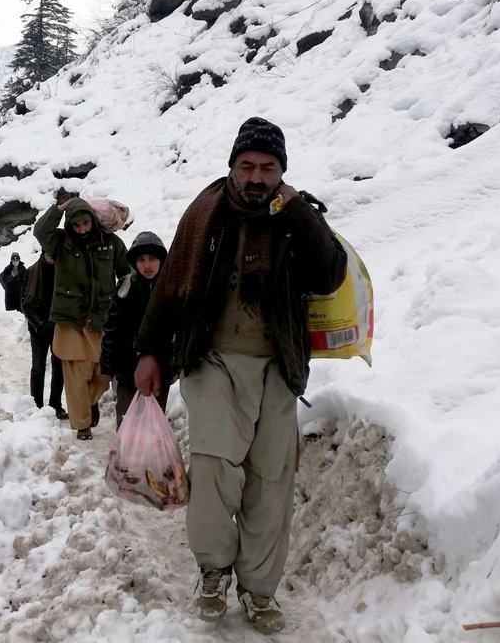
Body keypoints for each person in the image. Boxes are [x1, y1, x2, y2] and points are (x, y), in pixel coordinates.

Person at [133, 117, 348, 634]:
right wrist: (149, 351)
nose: (256, 176)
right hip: (213, 361)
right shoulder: (205, 214)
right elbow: (170, 289)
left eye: (268, 168)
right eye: (247, 165)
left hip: (278, 366)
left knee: (270, 481)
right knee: (213, 471)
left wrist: (299, 211)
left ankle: (258, 588)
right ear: (232, 166)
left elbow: (329, 274)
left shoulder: (297, 216)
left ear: (282, 173)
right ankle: (212, 570)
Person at [34, 194, 130, 440]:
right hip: (71, 320)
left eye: (85, 224)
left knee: (103, 371)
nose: (82, 229)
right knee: (77, 375)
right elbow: (41, 230)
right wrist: (59, 208)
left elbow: (127, 272)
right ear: (69, 225)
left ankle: (89, 403)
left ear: (92, 221)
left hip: (102, 318)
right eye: (76, 225)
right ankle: (82, 425)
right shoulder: (60, 243)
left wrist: (126, 299)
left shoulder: (111, 243)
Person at [100, 231, 170, 429]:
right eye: (141, 259)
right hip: (127, 371)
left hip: (160, 372)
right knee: (127, 422)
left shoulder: (170, 289)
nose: (147, 265)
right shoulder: (126, 287)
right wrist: (107, 366)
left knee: (153, 423)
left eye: (152, 258)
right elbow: (111, 328)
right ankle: (126, 459)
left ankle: (149, 459)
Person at [21, 252, 67, 419]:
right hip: (38, 328)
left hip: (59, 327)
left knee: (59, 366)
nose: (52, 256)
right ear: (43, 253)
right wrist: (40, 324)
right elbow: (25, 303)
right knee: (38, 367)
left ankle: (56, 405)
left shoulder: (64, 271)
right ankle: (36, 406)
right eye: (48, 253)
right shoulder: (32, 271)